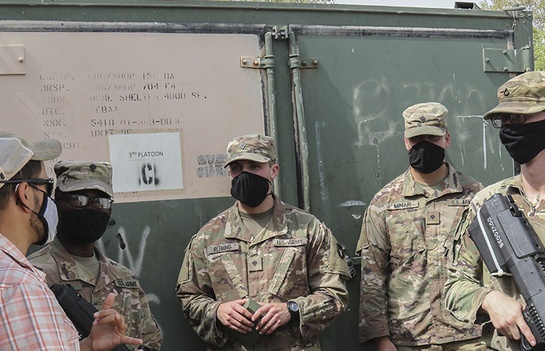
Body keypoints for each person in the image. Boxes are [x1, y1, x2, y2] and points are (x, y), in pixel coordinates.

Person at [445, 71, 545, 350]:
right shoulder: (487, 202)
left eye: (520, 118)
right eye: (503, 121)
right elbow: (453, 286)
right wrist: (489, 300)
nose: (509, 129)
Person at [176, 134, 351, 351]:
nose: (245, 174)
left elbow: (334, 296)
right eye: (237, 168)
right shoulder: (209, 236)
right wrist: (217, 311)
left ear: (273, 170)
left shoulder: (307, 228)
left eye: (254, 166)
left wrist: (293, 310)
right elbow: (190, 297)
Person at [356, 102, 486, 351]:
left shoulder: (476, 196)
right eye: (417, 139)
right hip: (409, 339)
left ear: (446, 140)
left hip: (469, 337)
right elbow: (373, 276)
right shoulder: (385, 203)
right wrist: (380, 339)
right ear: (406, 142)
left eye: (432, 138)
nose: (424, 146)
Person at [0, 134, 142, 351]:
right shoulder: (21, 287)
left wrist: (87, 346)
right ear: (26, 194)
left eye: (100, 201)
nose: (90, 208)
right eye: (46, 188)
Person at [28, 160, 162, 351]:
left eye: (101, 201)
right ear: (57, 202)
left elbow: (150, 342)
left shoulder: (125, 279)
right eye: (78, 200)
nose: (90, 208)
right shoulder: (34, 276)